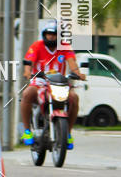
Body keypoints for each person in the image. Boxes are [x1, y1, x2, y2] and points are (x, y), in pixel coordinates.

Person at [20, 19, 86, 150]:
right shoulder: (37, 46)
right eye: (48, 34)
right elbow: (29, 62)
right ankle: (27, 131)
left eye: (54, 34)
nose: (51, 36)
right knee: (27, 94)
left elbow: (72, 63)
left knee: (74, 98)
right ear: (44, 35)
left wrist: (78, 73)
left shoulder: (65, 47)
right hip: (39, 82)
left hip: (59, 83)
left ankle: (67, 133)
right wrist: (28, 72)